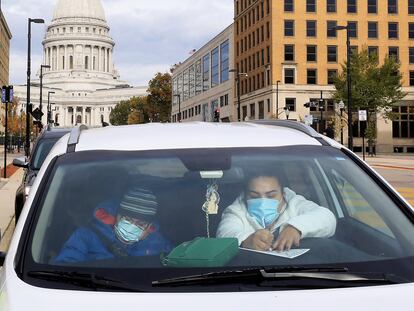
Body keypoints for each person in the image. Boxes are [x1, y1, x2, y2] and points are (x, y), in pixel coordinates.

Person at [216, 173, 336, 252]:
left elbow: (327, 217)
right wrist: (246, 240)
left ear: (283, 194)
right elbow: (225, 232)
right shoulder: (236, 210)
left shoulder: (295, 203)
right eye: (254, 196)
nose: (263, 201)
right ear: (245, 196)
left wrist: (295, 228)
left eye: (271, 195)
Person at [54, 187, 173, 263]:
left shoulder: (160, 245)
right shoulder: (85, 237)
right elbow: (65, 265)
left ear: (149, 227)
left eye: (141, 223)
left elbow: (176, 264)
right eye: (128, 219)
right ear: (118, 216)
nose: (132, 226)